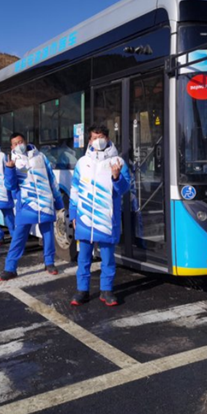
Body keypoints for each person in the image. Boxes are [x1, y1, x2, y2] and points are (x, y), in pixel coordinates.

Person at [69, 125, 130, 307]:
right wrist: (73, 214)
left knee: (108, 258)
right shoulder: (82, 162)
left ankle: (106, 290)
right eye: (94, 138)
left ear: (108, 138)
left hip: (107, 219)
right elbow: (75, 190)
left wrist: (116, 177)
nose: (98, 141)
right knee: (83, 258)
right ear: (89, 140)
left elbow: (124, 189)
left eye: (101, 137)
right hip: (85, 218)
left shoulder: (118, 161)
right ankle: (82, 291)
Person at [0, 133, 64, 281]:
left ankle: (49, 263)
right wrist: (10, 169)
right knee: (18, 237)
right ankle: (10, 268)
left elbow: (52, 179)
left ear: (26, 141)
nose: (19, 145)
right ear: (11, 146)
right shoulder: (11, 161)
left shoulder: (40, 156)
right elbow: (10, 185)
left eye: (20, 141)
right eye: (15, 143)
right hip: (26, 205)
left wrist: (58, 202)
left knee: (48, 235)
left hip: (45, 203)